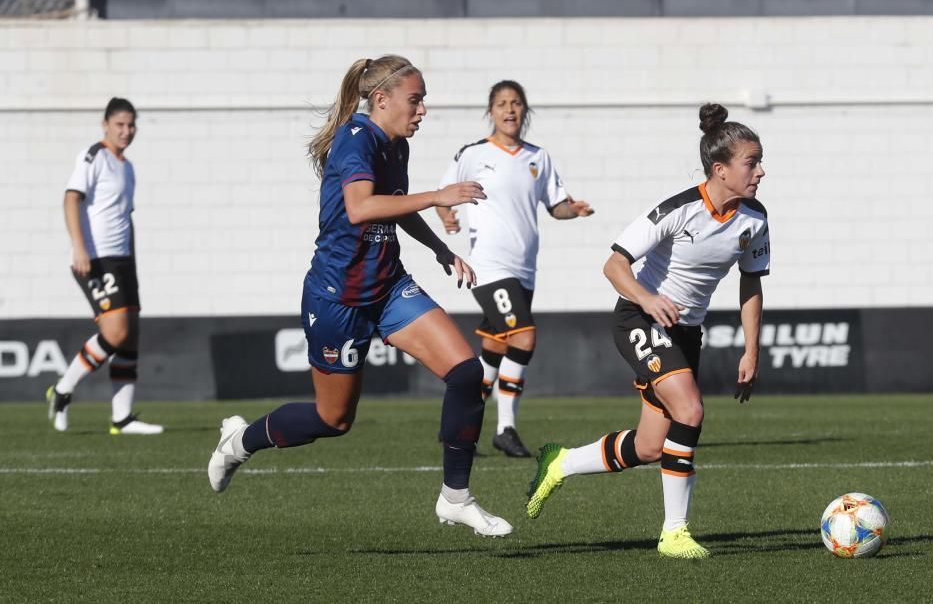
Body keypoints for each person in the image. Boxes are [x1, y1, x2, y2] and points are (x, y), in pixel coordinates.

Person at [207, 55, 512, 537]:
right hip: (338, 298)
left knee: (466, 372)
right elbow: (361, 207)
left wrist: (439, 250)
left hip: (388, 286)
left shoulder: (395, 145)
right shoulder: (357, 140)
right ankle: (239, 440)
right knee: (333, 419)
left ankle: (456, 497)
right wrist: (438, 196)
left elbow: (393, 208)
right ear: (382, 100)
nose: (423, 110)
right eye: (416, 100)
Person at [525, 103, 770, 559]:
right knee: (691, 410)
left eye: (759, 161)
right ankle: (674, 533)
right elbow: (614, 264)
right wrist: (648, 299)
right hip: (638, 319)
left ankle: (561, 462)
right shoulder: (678, 210)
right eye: (751, 162)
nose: (760, 172)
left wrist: (751, 351)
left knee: (651, 446)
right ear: (720, 170)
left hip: (685, 332)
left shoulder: (755, 219)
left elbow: (750, 283)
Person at [435, 80, 593, 458]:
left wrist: (576, 210)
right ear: (490, 111)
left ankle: (458, 429)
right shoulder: (474, 154)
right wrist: (447, 217)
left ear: (525, 111)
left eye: (516, 103)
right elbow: (443, 193)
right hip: (489, 267)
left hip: (524, 269)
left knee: (493, 351)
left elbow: (556, 207)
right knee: (524, 338)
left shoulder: (539, 157)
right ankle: (505, 429)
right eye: (502, 103)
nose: (509, 110)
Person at [45, 97, 163, 435]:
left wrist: (134, 261)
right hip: (96, 258)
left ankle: (121, 418)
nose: (126, 131)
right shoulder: (93, 156)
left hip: (123, 260)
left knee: (131, 337)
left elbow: (126, 219)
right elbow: (71, 198)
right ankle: (63, 389)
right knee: (116, 332)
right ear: (106, 125)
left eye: (131, 125)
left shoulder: (127, 166)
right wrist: (79, 247)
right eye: (120, 125)